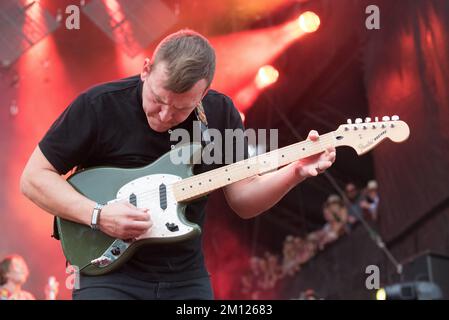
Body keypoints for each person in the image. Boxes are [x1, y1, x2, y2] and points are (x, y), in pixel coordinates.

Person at [20, 29, 336, 300]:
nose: (164, 115)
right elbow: (33, 178)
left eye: (180, 109)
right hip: (107, 271)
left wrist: (294, 172)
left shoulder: (219, 115)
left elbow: (244, 200)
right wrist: (98, 215)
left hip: (183, 277)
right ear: (146, 69)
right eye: (157, 99)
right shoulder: (98, 106)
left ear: (202, 96)